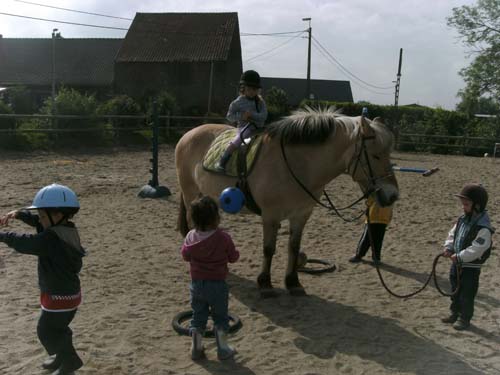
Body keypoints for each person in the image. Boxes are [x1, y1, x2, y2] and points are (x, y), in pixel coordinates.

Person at [0, 183, 85, 374]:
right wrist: (20, 214)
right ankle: (62, 357)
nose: (40, 219)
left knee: (46, 331)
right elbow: (40, 225)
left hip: (59, 296)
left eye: (42, 215)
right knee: (59, 328)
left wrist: (3, 236)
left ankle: (70, 361)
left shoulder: (51, 240)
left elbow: (26, 242)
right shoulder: (66, 229)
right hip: (67, 293)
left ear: (57, 215)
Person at [181, 196, 240, 360]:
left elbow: (185, 255)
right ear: (216, 217)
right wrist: (235, 254)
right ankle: (223, 349)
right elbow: (233, 257)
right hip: (217, 285)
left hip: (197, 285)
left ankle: (197, 348)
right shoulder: (223, 238)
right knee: (220, 317)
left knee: (198, 316)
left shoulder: (190, 236)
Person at [441, 183, 493, 331]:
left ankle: (464, 318)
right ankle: (454, 313)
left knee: (467, 293)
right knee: (455, 290)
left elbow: (477, 249)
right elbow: (453, 234)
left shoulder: (484, 228)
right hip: (456, 264)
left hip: (470, 267)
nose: (463, 207)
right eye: (463, 204)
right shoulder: (462, 220)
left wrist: (460, 256)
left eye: (466, 204)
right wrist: (449, 247)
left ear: (477, 206)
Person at [216, 70, 268, 172]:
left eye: (254, 89)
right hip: (245, 127)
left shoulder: (261, 102)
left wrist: (252, 115)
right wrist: (241, 116)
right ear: (243, 88)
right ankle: (222, 161)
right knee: (238, 140)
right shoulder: (237, 103)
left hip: (259, 128)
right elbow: (229, 116)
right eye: (249, 89)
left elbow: (264, 116)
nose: (252, 92)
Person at [349, 194, 393, 265]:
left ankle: (361, 255)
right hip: (381, 219)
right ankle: (373, 257)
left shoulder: (376, 191)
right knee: (375, 239)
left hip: (375, 218)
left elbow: (369, 202)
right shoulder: (389, 192)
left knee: (369, 238)